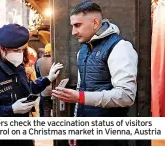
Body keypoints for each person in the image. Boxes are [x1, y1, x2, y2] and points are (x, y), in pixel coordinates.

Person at [52, 1, 138, 146]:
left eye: (77, 25)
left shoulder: (120, 47)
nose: (73, 32)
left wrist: (80, 97)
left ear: (95, 22)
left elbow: (126, 96)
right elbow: (81, 89)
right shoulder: (83, 51)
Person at [0, 24, 63, 146]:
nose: (20, 54)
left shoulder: (18, 67)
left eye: (23, 49)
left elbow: (27, 88)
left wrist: (47, 79)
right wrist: (11, 109)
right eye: (16, 50)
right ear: (1, 48)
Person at [35, 43, 53, 117]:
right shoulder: (54, 60)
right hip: (55, 90)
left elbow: (38, 75)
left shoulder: (38, 61)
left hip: (44, 90)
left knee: (46, 110)